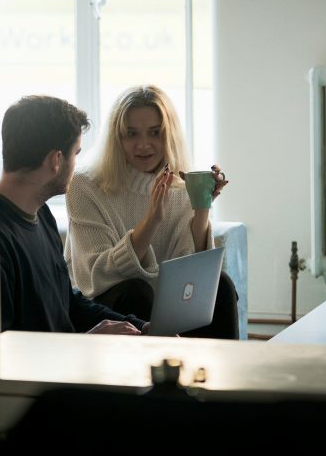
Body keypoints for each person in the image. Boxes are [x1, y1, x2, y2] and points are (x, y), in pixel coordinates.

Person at [0, 95, 145, 335]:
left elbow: (66, 303)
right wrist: (87, 344)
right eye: (76, 153)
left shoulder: (39, 211)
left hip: (62, 363)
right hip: (40, 372)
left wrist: (142, 328)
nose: (76, 164)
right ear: (56, 160)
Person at [64, 85, 239, 339]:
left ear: (169, 135)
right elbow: (95, 275)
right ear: (117, 138)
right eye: (131, 134)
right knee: (135, 291)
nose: (143, 145)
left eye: (155, 133)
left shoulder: (178, 187)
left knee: (220, 286)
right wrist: (151, 220)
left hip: (165, 305)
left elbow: (192, 273)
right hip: (107, 306)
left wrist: (201, 207)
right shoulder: (84, 185)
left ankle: (219, 374)